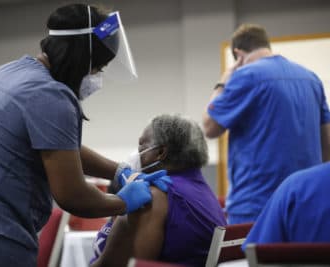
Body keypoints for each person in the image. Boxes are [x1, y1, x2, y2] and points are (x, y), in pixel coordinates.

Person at [0, 4, 170, 267]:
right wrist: (122, 202)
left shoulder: (9, 73)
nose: (96, 77)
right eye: (96, 68)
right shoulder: (52, 95)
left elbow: (58, 145)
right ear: (81, 59)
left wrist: (118, 170)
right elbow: (72, 195)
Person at [202, 23, 330, 224]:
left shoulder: (245, 76)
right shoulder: (311, 79)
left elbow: (209, 127)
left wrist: (223, 83)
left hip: (256, 206)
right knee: (305, 256)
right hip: (307, 202)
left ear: (238, 55)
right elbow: (327, 146)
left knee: (256, 256)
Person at [90, 114, 227, 267]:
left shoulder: (152, 196)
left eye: (142, 145)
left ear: (161, 152)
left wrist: (122, 217)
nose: (137, 152)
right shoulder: (204, 192)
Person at [243, 162, 330, 248]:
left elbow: (259, 255)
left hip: (262, 207)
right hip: (259, 206)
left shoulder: (296, 188)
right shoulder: (297, 188)